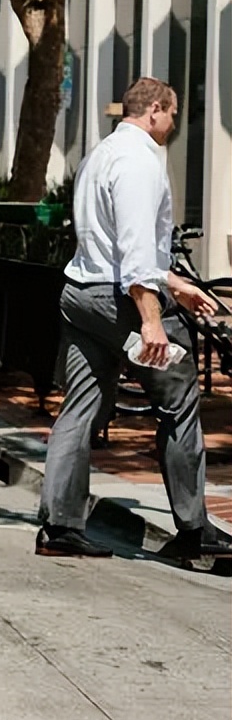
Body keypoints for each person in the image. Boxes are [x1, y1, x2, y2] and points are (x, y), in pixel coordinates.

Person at [36, 76, 232, 563]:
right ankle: (193, 531)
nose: (173, 125)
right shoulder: (141, 161)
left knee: (79, 409)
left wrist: (175, 282)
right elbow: (136, 250)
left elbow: (115, 243)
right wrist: (151, 320)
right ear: (157, 110)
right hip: (120, 301)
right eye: (173, 114)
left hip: (80, 294)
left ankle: (58, 526)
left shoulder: (100, 155)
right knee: (179, 402)